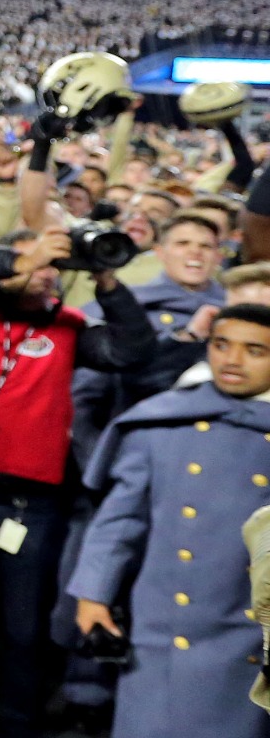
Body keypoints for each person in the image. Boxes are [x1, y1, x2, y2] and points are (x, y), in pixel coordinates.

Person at [0, 225, 155, 737]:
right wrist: (18, 260)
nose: (45, 274)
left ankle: (17, 726)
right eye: (38, 262)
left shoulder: (70, 328)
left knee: (23, 631)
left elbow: (132, 351)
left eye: (53, 267)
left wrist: (108, 283)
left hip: (29, 506)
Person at [69, 303, 270, 738]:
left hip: (248, 632)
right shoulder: (164, 420)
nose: (232, 360)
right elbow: (120, 520)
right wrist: (93, 595)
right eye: (221, 345)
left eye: (255, 350)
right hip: (161, 624)